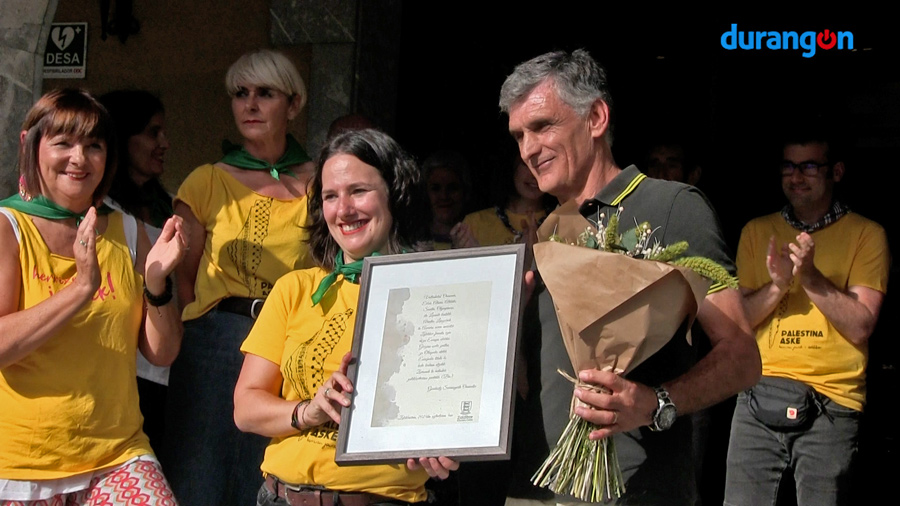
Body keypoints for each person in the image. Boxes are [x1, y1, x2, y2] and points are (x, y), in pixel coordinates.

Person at [498, 49, 760, 505]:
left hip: (638, 489)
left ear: (596, 117)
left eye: (542, 126)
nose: (528, 149)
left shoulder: (675, 206)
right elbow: (526, 386)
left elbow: (741, 356)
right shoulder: (539, 235)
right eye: (519, 135)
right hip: (535, 490)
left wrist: (656, 404)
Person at [233, 128, 454, 506]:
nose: (344, 209)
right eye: (331, 196)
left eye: (358, 191)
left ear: (395, 194)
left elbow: (457, 403)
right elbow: (246, 408)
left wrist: (449, 443)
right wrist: (309, 410)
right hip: (282, 497)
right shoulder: (294, 289)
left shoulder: (435, 293)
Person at [0, 88, 184, 503]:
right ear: (31, 145)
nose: (79, 158)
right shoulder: (8, 228)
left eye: (94, 145)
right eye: (63, 143)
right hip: (19, 467)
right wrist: (81, 289)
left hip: (117, 455)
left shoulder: (127, 230)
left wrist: (157, 284)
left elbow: (163, 353)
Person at [163, 49, 316, 506]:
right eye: (240, 94)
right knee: (198, 469)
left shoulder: (319, 184)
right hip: (214, 338)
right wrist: (205, 329)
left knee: (264, 468)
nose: (249, 104)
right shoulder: (206, 180)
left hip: (286, 339)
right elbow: (184, 281)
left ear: (292, 105)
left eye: (264, 94)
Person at [723, 130, 888, 506]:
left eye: (810, 166)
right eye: (789, 166)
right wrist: (778, 285)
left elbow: (862, 325)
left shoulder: (866, 234)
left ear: (837, 172)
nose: (796, 176)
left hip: (831, 402)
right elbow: (738, 321)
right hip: (755, 397)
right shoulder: (757, 231)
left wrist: (810, 277)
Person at [100, 89, 174, 454]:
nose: (163, 143)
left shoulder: (170, 205)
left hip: (165, 369)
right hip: (122, 373)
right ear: (122, 139)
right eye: (152, 132)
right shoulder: (104, 213)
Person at [458, 155, 555, 248]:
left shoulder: (562, 220)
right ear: (511, 167)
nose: (534, 175)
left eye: (541, 165)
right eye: (525, 164)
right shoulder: (474, 224)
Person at [422, 150, 471, 249]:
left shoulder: (476, 236)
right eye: (435, 188)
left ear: (465, 192)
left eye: (452, 188)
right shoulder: (412, 242)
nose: (444, 196)